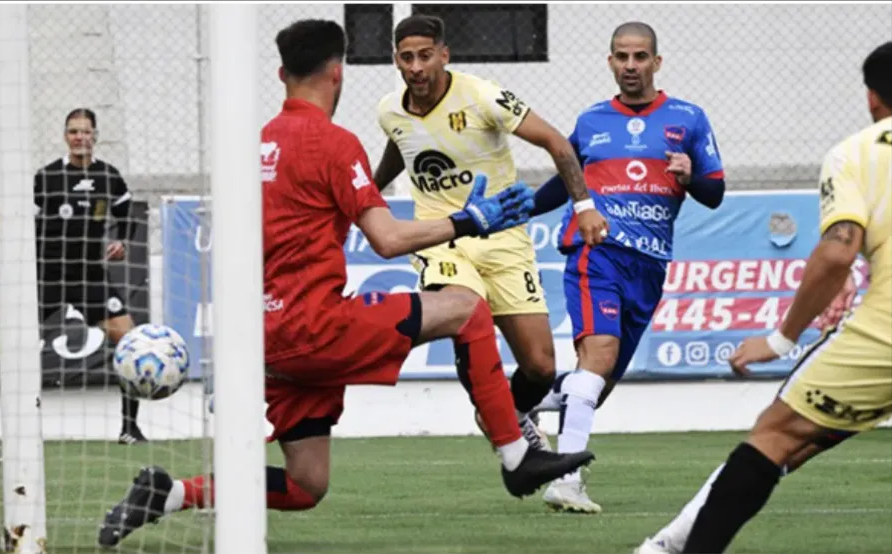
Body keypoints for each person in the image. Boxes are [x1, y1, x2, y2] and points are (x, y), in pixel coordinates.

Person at [96, 19, 594, 548]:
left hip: (267, 338)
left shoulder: (258, 143)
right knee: (465, 310)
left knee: (306, 482)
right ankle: (516, 454)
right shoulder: (333, 142)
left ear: (282, 73)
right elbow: (385, 239)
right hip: (317, 327)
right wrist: (470, 220)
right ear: (339, 72)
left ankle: (168, 493)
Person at [635, 40, 891, 554]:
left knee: (777, 435)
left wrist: (781, 337)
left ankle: (671, 547)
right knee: (804, 437)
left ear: (871, 97)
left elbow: (838, 250)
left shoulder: (858, 151)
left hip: (884, 335)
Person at [371, 14, 609, 452]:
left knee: (539, 366)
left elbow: (558, 143)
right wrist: (363, 197)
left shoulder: (482, 96)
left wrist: (585, 205)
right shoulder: (390, 109)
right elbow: (402, 148)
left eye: (425, 56)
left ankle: (512, 413)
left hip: (504, 237)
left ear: (444, 54)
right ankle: (500, 424)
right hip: (441, 237)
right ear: (396, 61)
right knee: (462, 310)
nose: (416, 67)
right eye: (407, 58)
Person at [529, 22, 727, 513]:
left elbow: (715, 192)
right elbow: (563, 183)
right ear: (611, 61)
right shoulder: (592, 120)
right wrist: (518, 209)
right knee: (597, 358)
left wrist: (692, 174)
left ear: (657, 62)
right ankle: (566, 479)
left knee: (599, 381)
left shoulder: (689, 118)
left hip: (650, 266)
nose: (631, 66)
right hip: (597, 252)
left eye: (640, 57)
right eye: (622, 57)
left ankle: (516, 405)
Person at [35, 108, 146, 445]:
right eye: (73, 132)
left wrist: (121, 241)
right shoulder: (47, 176)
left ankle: (129, 427)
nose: (79, 137)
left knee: (131, 344)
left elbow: (127, 217)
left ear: (95, 136)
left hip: (90, 276)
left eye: (85, 131)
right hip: (48, 276)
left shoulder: (109, 176)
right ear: (65, 136)